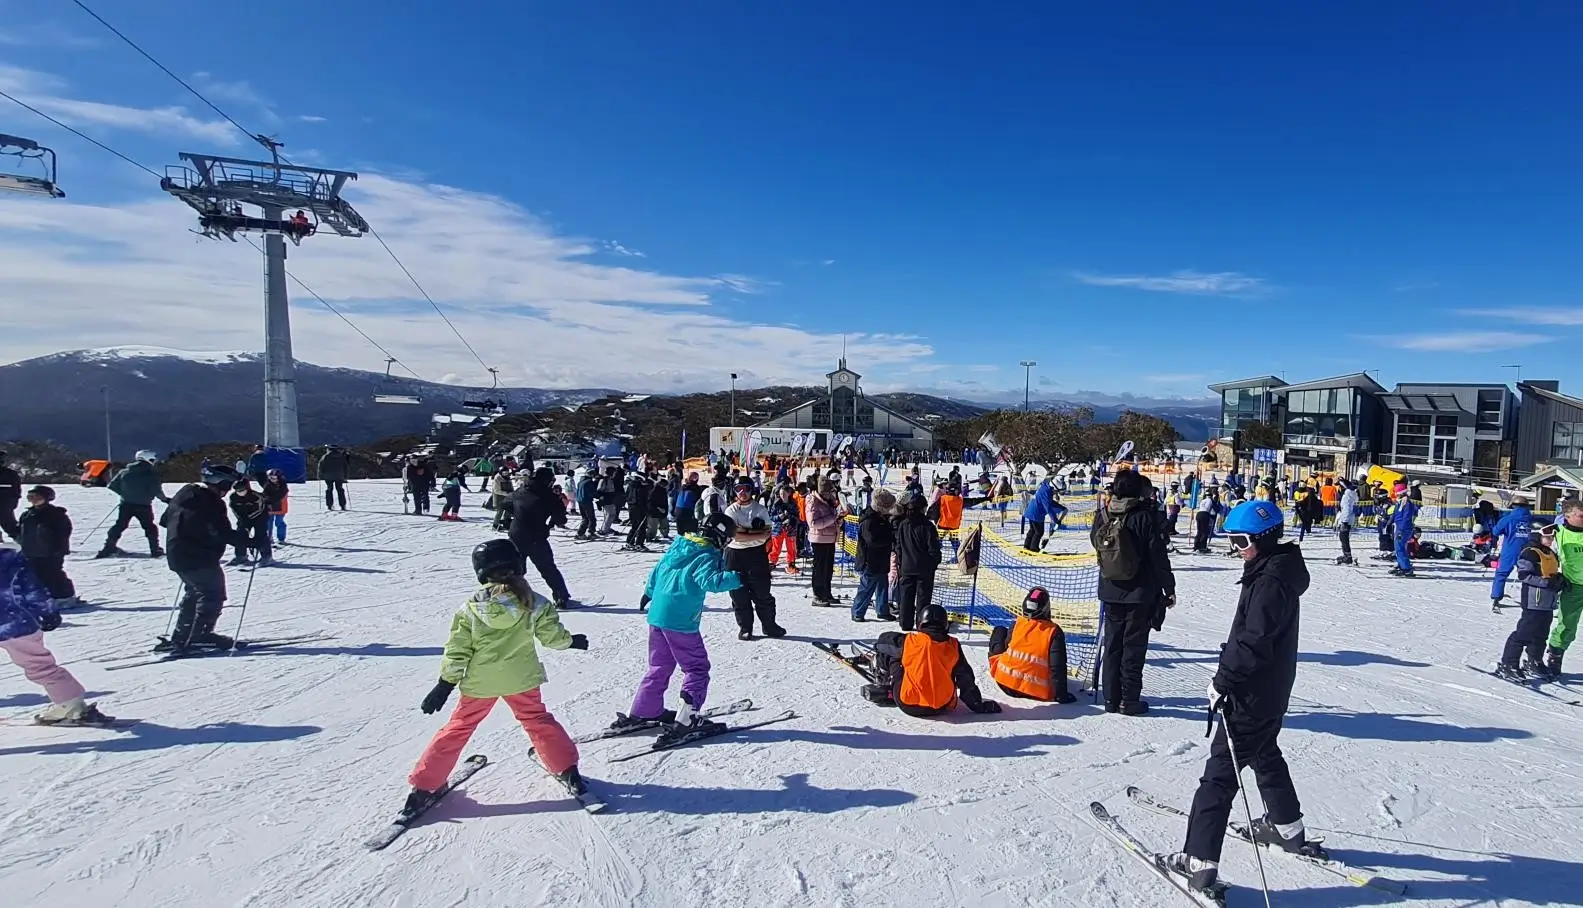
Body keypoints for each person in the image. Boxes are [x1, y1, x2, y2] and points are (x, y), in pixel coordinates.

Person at [1167, 499, 1317, 897]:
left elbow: (1252, 643)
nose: (1236, 548)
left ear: (1264, 538)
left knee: (1220, 773)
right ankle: (1287, 828)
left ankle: (1198, 861)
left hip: (1251, 693)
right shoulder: (1273, 569)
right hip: (1271, 690)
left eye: (1241, 540)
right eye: (1231, 540)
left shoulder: (1269, 582)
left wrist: (1223, 681)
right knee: (1265, 752)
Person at [401, 539, 590, 814]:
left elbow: (457, 650)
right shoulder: (535, 602)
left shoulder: (471, 609)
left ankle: (425, 785)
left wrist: (445, 684)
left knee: (460, 726)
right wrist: (570, 641)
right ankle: (567, 769)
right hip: (521, 679)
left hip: (481, 682)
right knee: (537, 720)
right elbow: (552, 638)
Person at [615, 512, 744, 742]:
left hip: (657, 616)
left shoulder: (679, 546)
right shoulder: (706, 554)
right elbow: (711, 581)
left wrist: (648, 593)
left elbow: (657, 572)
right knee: (696, 668)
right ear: (721, 537)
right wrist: (738, 577)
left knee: (660, 665)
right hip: (680, 621)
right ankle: (688, 718)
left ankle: (644, 710)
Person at [1092, 468, 1176, 715]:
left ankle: (1110, 698)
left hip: (1110, 588)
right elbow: (1157, 555)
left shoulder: (1103, 514)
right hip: (1140, 591)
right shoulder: (1144, 516)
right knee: (1134, 646)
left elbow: (1095, 542)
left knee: (1113, 644)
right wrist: (1168, 587)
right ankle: (1129, 700)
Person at [0, 549, 110, 725]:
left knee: (38, 663)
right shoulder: (11, 560)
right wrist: (48, 611)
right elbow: (33, 590)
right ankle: (71, 703)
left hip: (14, 624)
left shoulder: (13, 560)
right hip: (16, 623)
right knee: (39, 665)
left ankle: (71, 706)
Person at [861, 604, 1001, 717]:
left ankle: (883, 677)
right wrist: (978, 705)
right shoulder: (953, 645)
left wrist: (879, 649)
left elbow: (882, 642)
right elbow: (965, 679)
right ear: (945, 625)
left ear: (920, 623)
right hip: (941, 706)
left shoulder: (910, 641)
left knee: (895, 657)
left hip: (908, 704)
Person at [161, 464, 242, 652]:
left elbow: (165, 520)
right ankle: (200, 635)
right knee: (212, 593)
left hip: (176, 553)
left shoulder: (184, 494)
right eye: (227, 485)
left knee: (195, 593)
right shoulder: (211, 502)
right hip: (199, 555)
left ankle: (183, 635)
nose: (227, 490)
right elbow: (222, 532)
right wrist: (252, 541)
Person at [987, 587, 1077, 703]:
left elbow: (1006, 645)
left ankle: (997, 666)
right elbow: (1057, 665)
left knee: (999, 630)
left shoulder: (1018, 623)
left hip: (1004, 682)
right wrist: (1061, 695)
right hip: (1035, 690)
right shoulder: (1053, 631)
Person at [1495, 526, 1563, 680]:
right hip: (1534, 600)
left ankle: (1534, 660)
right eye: (1547, 537)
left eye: (1552, 537)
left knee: (1541, 633)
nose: (1550, 540)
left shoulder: (1550, 553)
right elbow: (1524, 575)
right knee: (1525, 632)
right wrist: (1546, 583)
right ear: (1536, 535)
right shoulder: (1529, 553)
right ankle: (1509, 663)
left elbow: (1551, 573)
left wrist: (1559, 580)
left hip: (1548, 601)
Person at [723, 480, 784, 640]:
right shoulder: (731, 511)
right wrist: (753, 533)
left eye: (746, 489)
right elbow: (735, 535)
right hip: (735, 555)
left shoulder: (760, 509)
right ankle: (745, 627)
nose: (742, 492)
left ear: (752, 490)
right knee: (738, 594)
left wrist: (746, 532)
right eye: (738, 489)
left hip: (756, 554)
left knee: (762, 592)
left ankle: (770, 626)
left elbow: (767, 533)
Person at [508, 467, 574, 608]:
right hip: (536, 537)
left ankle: (512, 598)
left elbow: (504, 504)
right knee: (548, 569)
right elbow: (561, 519)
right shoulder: (549, 496)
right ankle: (561, 597)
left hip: (516, 535)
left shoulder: (521, 491)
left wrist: (518, 515)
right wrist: (550, 523)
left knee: (515, 570)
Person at [97, 450, 170, 558]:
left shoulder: (125, 471)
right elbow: (156, 490)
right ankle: (155, 550)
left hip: (126, 504)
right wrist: (165, 500)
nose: (154, 462)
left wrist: (125, 494)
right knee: (149, 527)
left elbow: (112, 485)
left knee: (119, 526)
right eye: (153, 459)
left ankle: (108, 548)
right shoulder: (150, 473)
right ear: (148, 459)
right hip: (143, 505)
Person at [19, 486, 76, 608]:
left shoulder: (56, 514)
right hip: (32, 551)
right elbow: (22, 533)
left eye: (37, 497)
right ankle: (43, 597)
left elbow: (64, 532)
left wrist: (59, 548)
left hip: (51, 551)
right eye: (30, 497)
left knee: (53, 574)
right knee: (35, 575)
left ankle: (65, 596)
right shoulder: (26, 515)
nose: (34, 500)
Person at [1544, 500, 1583, 676]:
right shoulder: (1557, 533)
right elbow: (1544, 555)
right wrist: (1555, 576)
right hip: (1573, 586)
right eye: (1581, 515)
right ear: (1568, 516)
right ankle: (1555, 654)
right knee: (1567, 624)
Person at [894, 490, 941, 631]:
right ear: (922, 508)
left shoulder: (904, 524)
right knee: (923, 599)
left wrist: (901, 563)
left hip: (907, 567)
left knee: (906, 598)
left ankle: (905, 623)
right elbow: (933, 549)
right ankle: (921, 623)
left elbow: (898, 546)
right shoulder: (928, 527)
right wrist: (934, 563)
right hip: (923, 569)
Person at [852, 489, 898, 622]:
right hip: (869, 561)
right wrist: (888, 538)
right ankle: (857, 611)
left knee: (882, 587)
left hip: (882, 560)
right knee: (866, 588)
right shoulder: (869, 520)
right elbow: (872, 540)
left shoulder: (882, 518)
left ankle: (882, 610)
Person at [1489, 495, 1535, 605]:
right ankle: (1530, 599)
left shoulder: (1508, 519)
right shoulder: (1532, 519)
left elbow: (1495, 532)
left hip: (1510, 550)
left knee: (1501, 574)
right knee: (1529, 575)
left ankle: (1496, 597)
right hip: (1528, 550)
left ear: (1513, 505)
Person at [808, 479, 844, 606]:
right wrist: (833, 518)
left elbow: (830, 519)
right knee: (819, 569)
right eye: (829, 492)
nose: (831, 494)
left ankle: (826, 593)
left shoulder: (828, 502)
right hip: (819, 540)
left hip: (830, 538)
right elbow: (814, 523)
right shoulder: (813, 502)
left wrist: (838, 521)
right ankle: (817, 594)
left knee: (828, 569)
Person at [228, 477, 272, 567]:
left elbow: (260, 509)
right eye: (238, 491)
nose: (240, 492)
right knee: (240, 534)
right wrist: (241, 519)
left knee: (261, 535)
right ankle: (241, 556)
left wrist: (249, 517)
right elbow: (234, 509)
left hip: (260, 517)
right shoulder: (233, 497)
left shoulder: (255, 496)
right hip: (244, 518)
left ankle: (266, 556)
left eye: (242, 490)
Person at [767, 485, 802, 574]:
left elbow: (797, 516)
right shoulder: (776, 503)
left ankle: (791, 563)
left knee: (791, 547)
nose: (782, 495)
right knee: (776, 547)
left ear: (789, 494)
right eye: (781, 493)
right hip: (777, 528)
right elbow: (770, 516)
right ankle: (772, 561)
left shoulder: (793, 504)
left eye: (784, 494)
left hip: (790, 528)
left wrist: (790, 519)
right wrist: (779, 517)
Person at [1389, 485, 1420, 578]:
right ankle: (1401, 565)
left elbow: (1406, 518)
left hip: (1403, 529)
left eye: (1396, 492)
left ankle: (1407, 568)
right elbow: (1395, 514)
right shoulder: (1400, 503)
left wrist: (1401, 530)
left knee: (1400, 548)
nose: (1395, 494)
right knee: (1398, 548)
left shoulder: (1407, 503)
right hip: (1398, 527)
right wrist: (1389, 523)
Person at [1023, 477, 1059, 552]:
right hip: (1037, 514)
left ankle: (1026, 546)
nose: (1056, 493)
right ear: (1053, 488)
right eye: (1056, 491)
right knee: (1039, 532)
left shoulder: (1044, 487)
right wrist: (1055, 520)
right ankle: (1033, 548)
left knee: (1032, 530)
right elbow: (1048, 507)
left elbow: (1048, 502)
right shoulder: (1046, 493)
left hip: (1031, 511)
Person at [623, 471, 653, 552]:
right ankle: (639, 544)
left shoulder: (629, 486)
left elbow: (627, 496)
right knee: (642, 527)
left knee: (634, 526)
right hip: (640, 508)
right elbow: (644, 499)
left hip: (631, 507)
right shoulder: (642, 488)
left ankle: (629, 542)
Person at [261, 469, 290, 543]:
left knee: (279, 522)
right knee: (269, 523)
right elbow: (265, 494)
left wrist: (271, 499)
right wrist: (265, 500)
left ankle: (281, 538)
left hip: (280, 508)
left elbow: (281, 495)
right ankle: (269, 538)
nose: (272, 480)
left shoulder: (283, 486)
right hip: (270, 508)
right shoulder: (267, 485)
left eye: (274, 478)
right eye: (270, 478)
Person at [1334, 480, 1359, 565]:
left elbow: (1347, 509)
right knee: (1344, 538)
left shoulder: (1347, 495)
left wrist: (1344, 521)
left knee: (1343, 538)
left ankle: (1347, 556)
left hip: (1346, 520)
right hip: (1349, 519)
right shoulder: (1353, 494)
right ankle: (1346, 555)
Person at [318, 445, 351, 510]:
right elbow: (346, 467)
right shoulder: (341, 456)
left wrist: (320, 474)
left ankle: (329, 505)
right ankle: (342, 505)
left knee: (329, 490)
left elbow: (321, 466)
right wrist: (345, 476)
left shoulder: (325, 457)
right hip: (339, 476)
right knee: (340, 490)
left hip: (328, 476)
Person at [0, 448, 20, 543]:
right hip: (6, 505)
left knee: (10, 526)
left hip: (5, 506)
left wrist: (12, 503)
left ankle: (24, 544)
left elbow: (16, 491)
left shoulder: (11, 474)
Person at [572, 470, 599, 539]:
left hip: (580, 500)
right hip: (586, 501)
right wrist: (598, 496)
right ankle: (590, 532)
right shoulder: (589, 482)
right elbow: (592, 492)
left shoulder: (581, 481)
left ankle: (580, 533)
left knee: (585, 518)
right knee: (591, 518)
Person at [647, 472, 672, 544]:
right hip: (654, 512)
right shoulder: (654, 491)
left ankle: (665, 534)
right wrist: (658, 508)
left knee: (664, 524)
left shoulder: (663, 491)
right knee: (653, 527)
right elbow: (650, 502)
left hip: (663, 511)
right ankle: (650, 537)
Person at [1192, 489, 1219, 555]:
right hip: (1205, 514)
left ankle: (1196, 545)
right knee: (1204, 531)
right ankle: (1202, 547)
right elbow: (1216, 509)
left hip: (1198, 514)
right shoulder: (1211, 500)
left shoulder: (1203, 500)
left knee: (1199, 531)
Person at [492, 468, 517, 533]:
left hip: (508, 497)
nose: (506, 474)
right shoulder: (497, 478)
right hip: (499, 497)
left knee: (508, 510)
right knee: (500, 511)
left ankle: (506, 523)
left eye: (507, 473)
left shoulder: (507, 477)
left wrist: (512, 492)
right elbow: (496, 490)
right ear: (501, 472)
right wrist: (507, 493)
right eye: (504, 473)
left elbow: (510, 485)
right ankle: (495, 525)